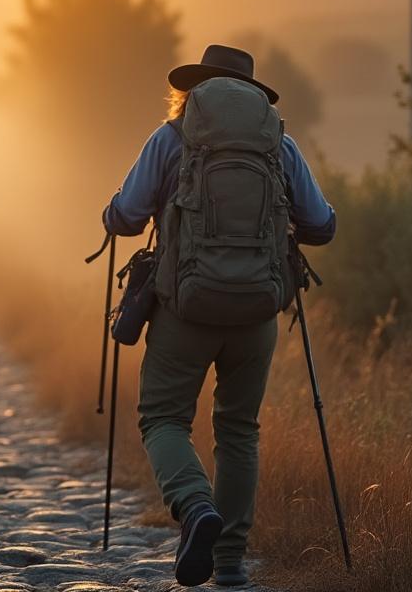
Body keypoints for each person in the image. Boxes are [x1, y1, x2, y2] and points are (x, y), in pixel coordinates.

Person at [103, 44, 336, 588]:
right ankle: (229, 564)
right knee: (238, 430)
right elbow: (322, 226)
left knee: (162, 418)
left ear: (190, 90)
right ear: (253, 97)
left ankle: (194, 506)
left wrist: (112, 213)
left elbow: (128, 218)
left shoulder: (170, 138)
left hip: (185, 307)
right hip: (257, 311)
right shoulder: (279, 144)